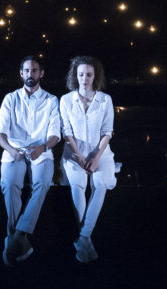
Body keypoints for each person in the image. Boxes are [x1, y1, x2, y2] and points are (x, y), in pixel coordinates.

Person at [0, 55, 61, 266]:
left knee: (42, 183)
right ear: (21, 73)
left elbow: (55, 134)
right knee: (10, 184)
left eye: (34, 70)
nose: (30, 74)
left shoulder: (51, 100)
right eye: (26, 70)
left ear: (41, 73)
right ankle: (19, 239)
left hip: (41, 152)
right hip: (14, 151)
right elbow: (0, 134)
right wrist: (12, 151)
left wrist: (42, 147)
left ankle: (15, 235)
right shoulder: (10, 98)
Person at [60, 55, 116, 262]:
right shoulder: (66, 100)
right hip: (75, 155)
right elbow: (66, 132)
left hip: (101, 153)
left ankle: (83, 236)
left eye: (89, 74)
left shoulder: (105, 100)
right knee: (78, 185)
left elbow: (107, 132)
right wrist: (81, 158)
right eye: (81, 74)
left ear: (95, 76)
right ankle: (85, 240)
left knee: (100, 184)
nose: (85, 78)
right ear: (76, 76)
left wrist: (95, 158)